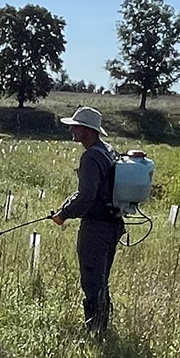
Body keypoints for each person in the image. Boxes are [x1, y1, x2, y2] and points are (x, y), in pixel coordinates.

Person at [49, 105, 122, 331]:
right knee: (101, 279)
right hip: (113, 224)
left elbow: (87, 195)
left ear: (86, 130)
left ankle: (95, 330)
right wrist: (66, 206)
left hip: (96, 228)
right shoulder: (107, 150)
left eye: (75, 127)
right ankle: (102, 326)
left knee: (92, 280)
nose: (72, 131)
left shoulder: (91, 157)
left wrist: (64, 214)